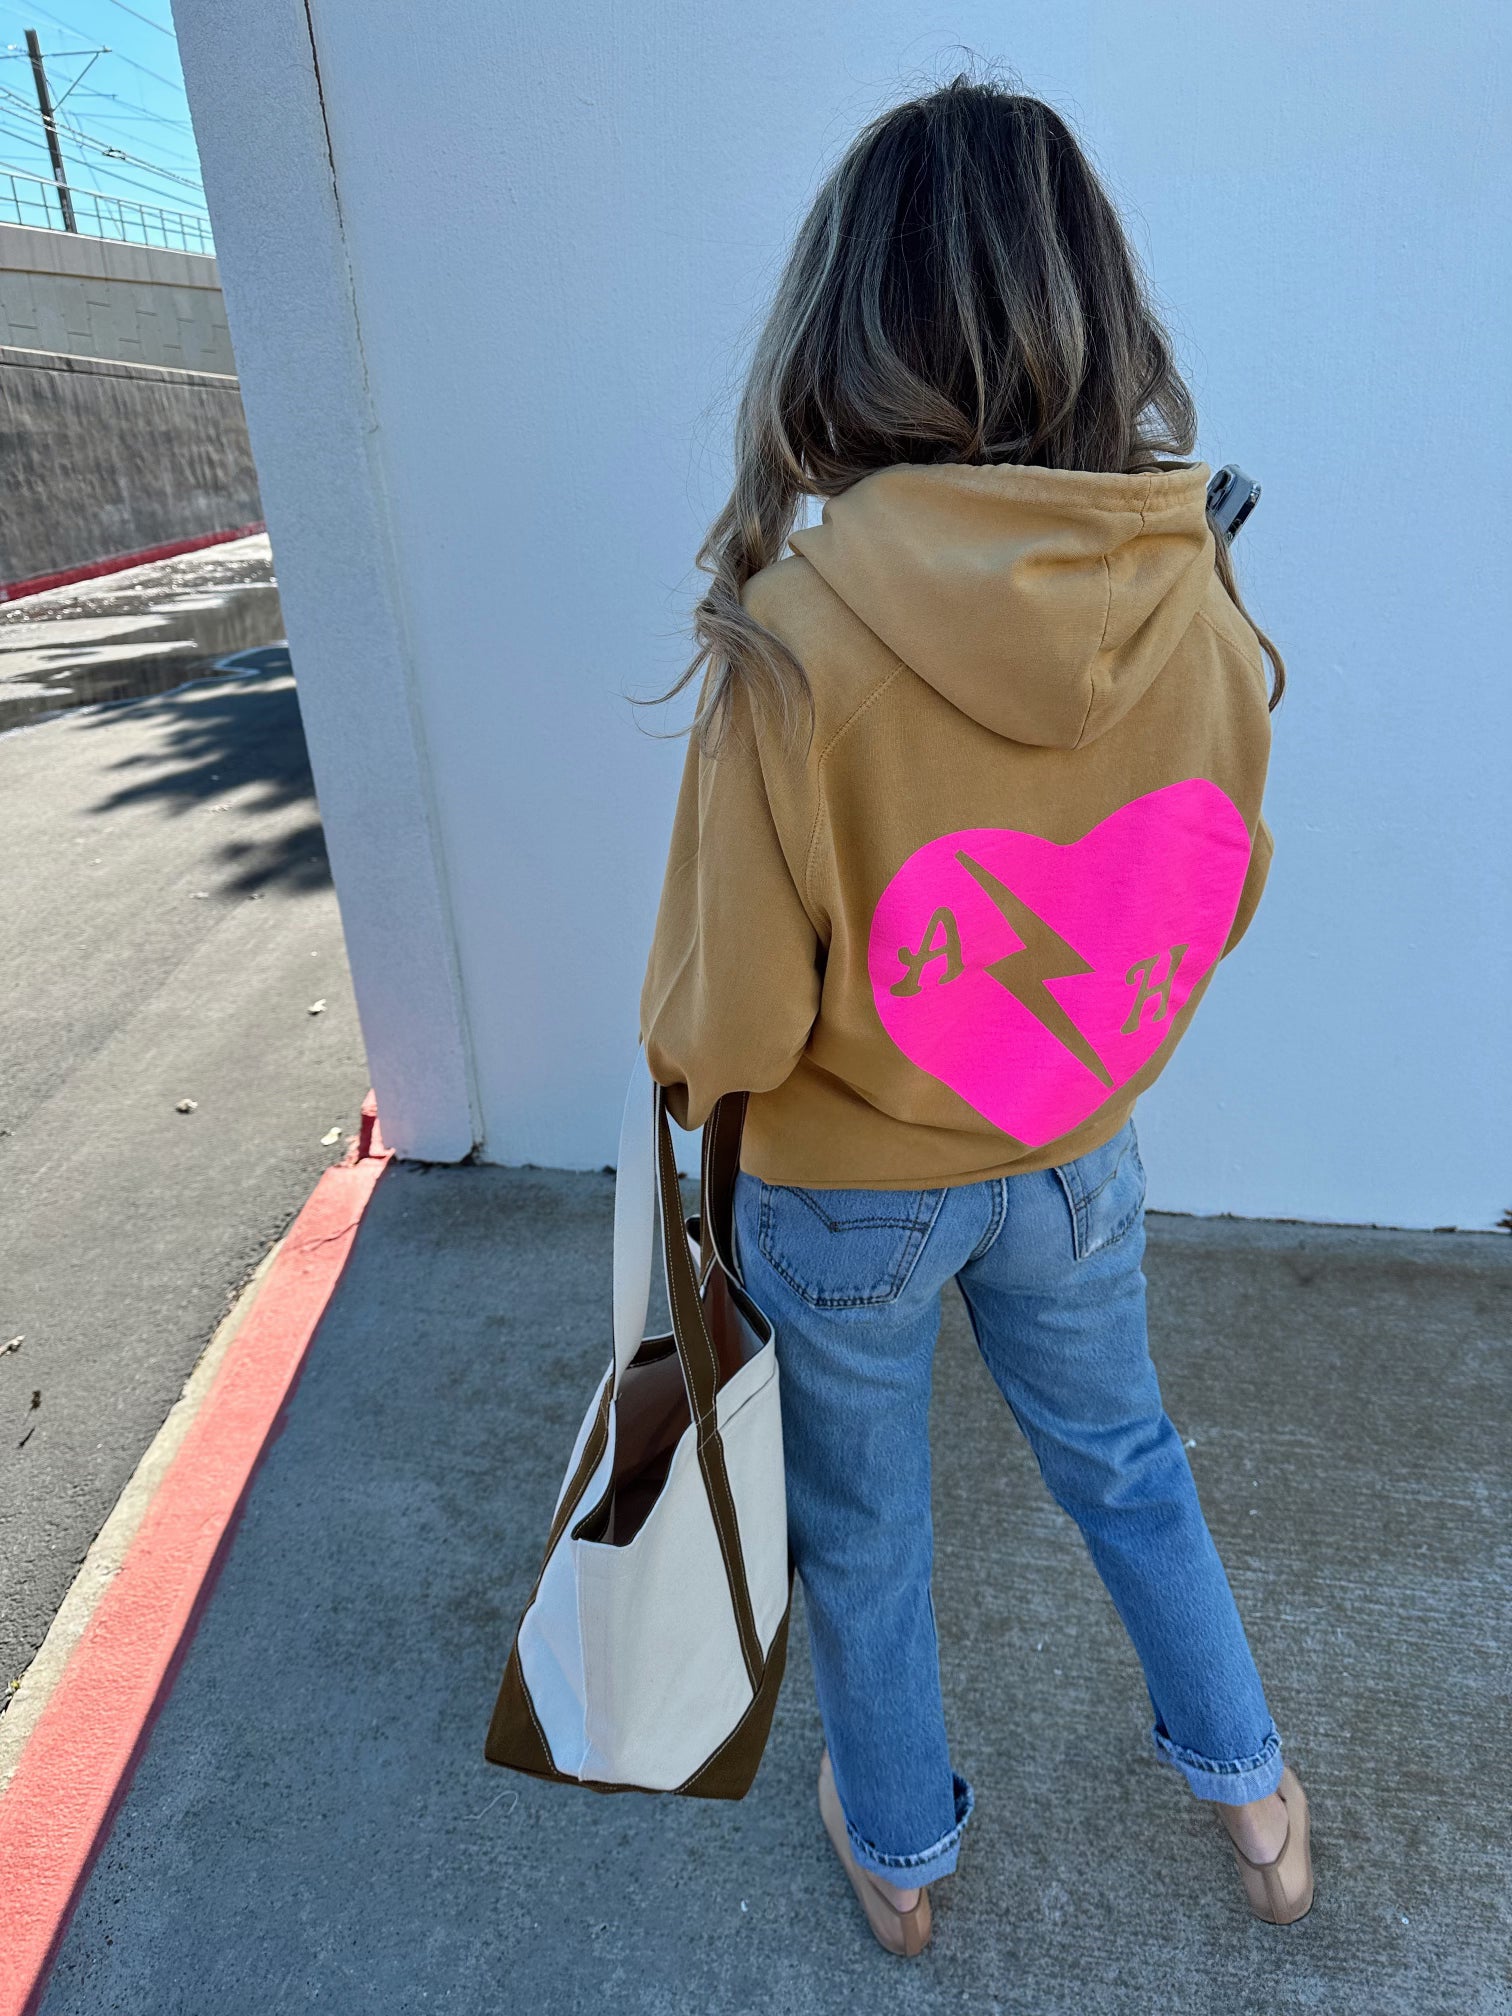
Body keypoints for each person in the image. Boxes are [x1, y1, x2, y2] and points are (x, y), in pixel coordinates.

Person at [638, 71, 1312, 1954]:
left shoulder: (795, 634)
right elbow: (1218, 888)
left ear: (842, 325)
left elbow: (731, 1015)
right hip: (1076, 1164)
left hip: (848, 1201)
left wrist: (692, 1083)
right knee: (1131, 1465)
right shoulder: (1200, 588)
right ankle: (1257, 1799)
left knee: (868, 1534)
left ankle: (906, 1861)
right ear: (1095, 304)